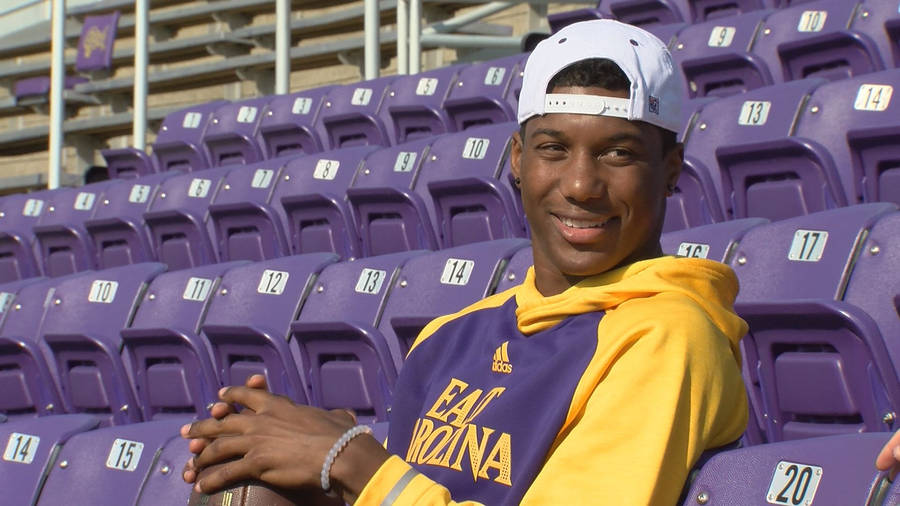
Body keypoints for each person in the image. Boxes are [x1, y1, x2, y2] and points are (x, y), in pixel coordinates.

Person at [181, 19, 749, 505]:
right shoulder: (449, 337)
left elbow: (383, 483)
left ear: (672, 169)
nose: (581, 185)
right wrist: (294, 456)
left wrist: (355, 463)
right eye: (554, 148)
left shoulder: (668, 335)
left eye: (618, 153)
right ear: (518, 160)